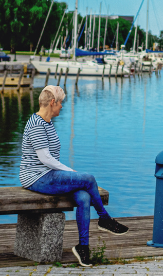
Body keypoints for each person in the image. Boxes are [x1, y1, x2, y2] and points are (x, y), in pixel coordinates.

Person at [20, 85, 128, 268]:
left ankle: (83, 247)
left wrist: (68, 173)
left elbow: (50, 160)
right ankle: (104, 219)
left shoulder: (47, 123)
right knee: (88, 178)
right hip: (36, 177)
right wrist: (71, 173)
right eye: (61, 102)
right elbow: (45, 158)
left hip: (49, 175)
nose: (62, 106)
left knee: (84, 197)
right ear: (52, 102)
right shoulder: (36, 123)